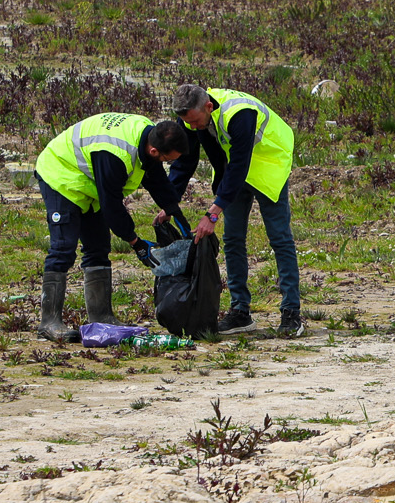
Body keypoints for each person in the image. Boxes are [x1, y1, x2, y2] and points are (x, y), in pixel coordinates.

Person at [32, 112, 189, 343]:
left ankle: (101, 317)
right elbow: (111, 205)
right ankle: (49, 322)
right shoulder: (115, 154)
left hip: (89, 182)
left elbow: (155, 177)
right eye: (167, 159)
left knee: (98, 247)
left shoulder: (149, 134)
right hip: (61, 175)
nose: (166, 163)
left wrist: (176, 213)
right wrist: (135, 242)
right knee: (63, 247)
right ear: (154, 150)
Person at [166, 83, 303, 338]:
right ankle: (240, 311)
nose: (192, 127)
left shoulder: (240, 114)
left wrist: (213, 213)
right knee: (233, 240)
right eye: (188, 123)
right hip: (234, 171)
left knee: (279, 238)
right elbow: (185, 161)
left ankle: (291, 312)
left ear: (208, 106)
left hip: (268, 164)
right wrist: (169, 204)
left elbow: (240, 163)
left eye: (195, 122)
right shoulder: (191, 116)